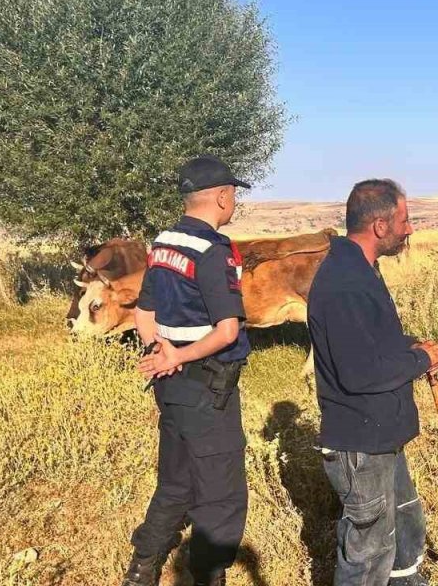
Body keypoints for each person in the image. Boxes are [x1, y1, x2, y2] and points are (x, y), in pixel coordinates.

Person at [307, 178, 438, 585]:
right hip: (360, 444)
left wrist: (411, 348)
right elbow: (360, 371)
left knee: (402, 528)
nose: (410, 229)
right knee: (368, 552)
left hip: (380, 434)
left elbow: (371, 342)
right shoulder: (345, 284)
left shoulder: (361, 269)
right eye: (405, 220)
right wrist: (418, 360)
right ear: (380, 227)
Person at [124, 155, 254, 586]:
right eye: (232, 195)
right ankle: (206, 577)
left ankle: (143, 567)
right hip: (208, 390)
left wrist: (159, 352)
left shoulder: (162, 245)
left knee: (175, 481)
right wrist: (178, 355)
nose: (232, 203)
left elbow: (144, 311)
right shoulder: (214, 252)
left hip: (171, 388)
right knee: (220, 495)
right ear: (221, 196)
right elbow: (227, 331)